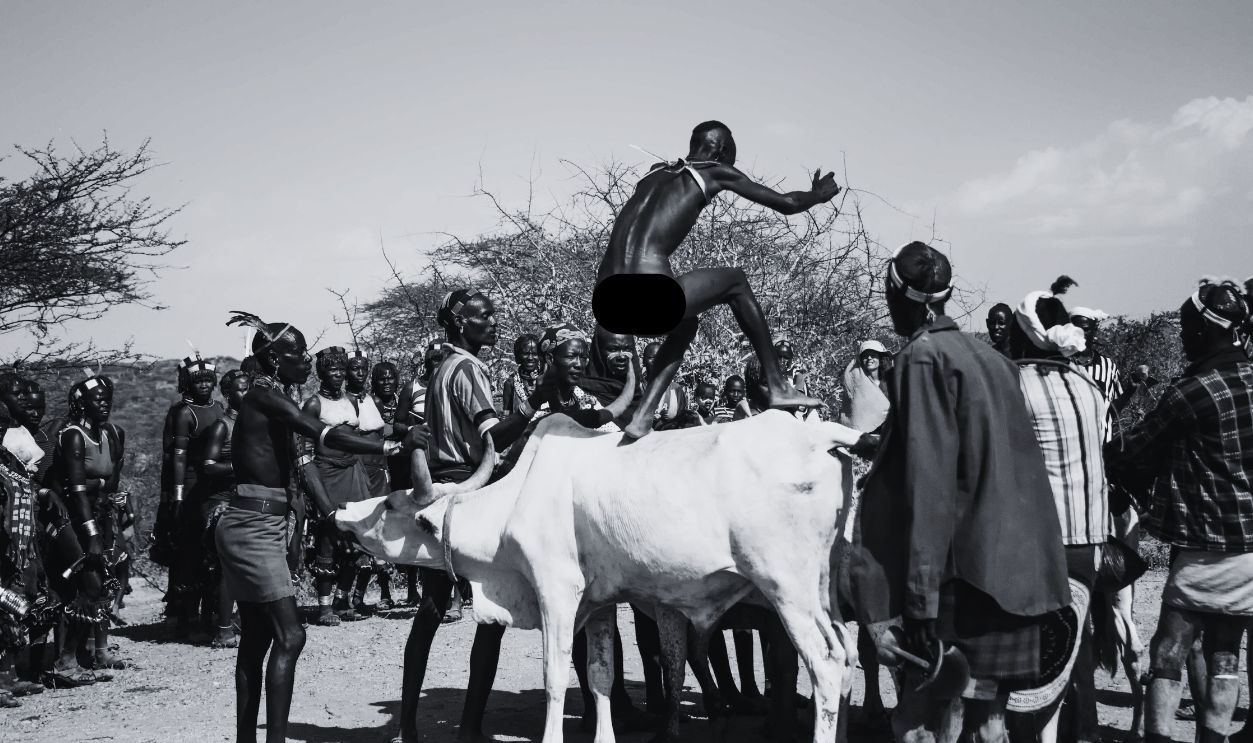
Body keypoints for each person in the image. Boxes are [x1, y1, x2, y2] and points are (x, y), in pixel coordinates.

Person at [852, 241, 1070, 743]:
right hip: (1016, 572)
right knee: (990, 722)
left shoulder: (922, 359)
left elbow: (929, 486)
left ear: (896, 293)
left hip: (963, 581)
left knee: (918, 722)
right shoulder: (994, 360)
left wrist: (921, 603)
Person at [219, 311, 426, 743]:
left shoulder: (276, 402)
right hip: (253, 525)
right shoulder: (264, 397)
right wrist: (389, 444)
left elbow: (304, 459)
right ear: (274, 359)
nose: (307, 359)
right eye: (296, 353)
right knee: (291, 636)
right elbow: (322, 433)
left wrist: (329, 511)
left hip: (266, 522)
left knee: (257, 637)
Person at [593, 121, 830, 438]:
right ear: (720, 149)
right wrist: (818, 194)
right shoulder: (713, 171)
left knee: (687, 324)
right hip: (650, 296)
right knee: (737, 280)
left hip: (606, 298)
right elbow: (788, 204)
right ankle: (776, 384)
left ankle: (642, 417)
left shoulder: (654, 172)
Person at [1105, 279, 1253, 743]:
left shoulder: (1193, 391)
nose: (1184, 337)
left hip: (1203, 546)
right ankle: (1214, 737)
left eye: (1187, 328)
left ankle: (1161, 737)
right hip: (1250, 547)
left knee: (1168, 650)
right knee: (1226, 652)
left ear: (1204, 333)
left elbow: (1134, 450)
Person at [395, 288, 543, 743]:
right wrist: (535, 406)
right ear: (460, 323)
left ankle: (407, 726)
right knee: (489, 614)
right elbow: (493, 436)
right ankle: (472, 728)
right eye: (484, 315)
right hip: (470, 489)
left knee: (432, 609)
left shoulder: (441, 369)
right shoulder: (468, 368)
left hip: (441, 489)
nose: (494, 321)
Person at [1011, 287, 1109, 743]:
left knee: (1031, 661)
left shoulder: (1015, 384)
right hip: (1089, 541)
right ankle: (1082, 731)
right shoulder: (1088, 386)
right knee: (1074, 646)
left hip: (1037, 544)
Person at [48, 371, 130, 678]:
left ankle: (87, 656)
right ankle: (66, 661)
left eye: (107, 400)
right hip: (70, 519)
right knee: (90, 585)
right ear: (82, 403)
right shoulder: (73, 436)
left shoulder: (109, 434)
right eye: (98, 400)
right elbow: (76, 490)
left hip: (98, 515)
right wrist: (92, 534)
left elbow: (109, 484)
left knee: (101, 585)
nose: (104, 405)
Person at [300, 346, 375, 625]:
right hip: (327, 474)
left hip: (353, 472)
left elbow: (355, 437)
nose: (338, 375)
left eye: (341, 370)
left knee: (357, 537)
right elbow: (305, 448)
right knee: (329, 537)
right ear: (321, 372)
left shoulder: (351, 401)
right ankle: (324, 608)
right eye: (332, 369)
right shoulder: (313, 404)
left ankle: (343, 600)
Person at [167, 354, 225, 640]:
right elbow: (177, 458)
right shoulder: (183, 413)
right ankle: (186, 618)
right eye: (197, 380)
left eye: (207, 380)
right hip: (191, 486)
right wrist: (177, 498)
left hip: (216, 485)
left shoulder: (220, 408)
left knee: (214, 551)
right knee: (190, 551)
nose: (203, 385)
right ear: (187, 383)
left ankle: (212, 614)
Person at [201, 370, 251, 649]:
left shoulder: (252, 423)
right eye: (241, 390)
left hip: (249, 498)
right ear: (228, 394)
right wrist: (238, 467)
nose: (246, 394)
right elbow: (207, 466)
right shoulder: (222, 426)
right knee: (228, 567)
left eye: (248, 389)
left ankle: (244, 621)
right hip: (223, 501)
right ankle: (222, 629)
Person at [838, 340, 890, 433]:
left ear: (880, 358)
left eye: (873, 355)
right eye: (865, 356)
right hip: (864, 435)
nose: (869, 358)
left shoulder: (889, 382)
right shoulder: (857, 383)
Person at [641, 341, 692, 431]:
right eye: (652, 358)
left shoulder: (676, 389)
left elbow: (682, 422)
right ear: (644, 361)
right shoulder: (636, 389)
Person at [500, 334, 542, 416]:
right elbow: (506, 415)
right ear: (518, 356)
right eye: (526, 353)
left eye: (534, 354)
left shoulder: (548, 380)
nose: (530, 358)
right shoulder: (510, 383)